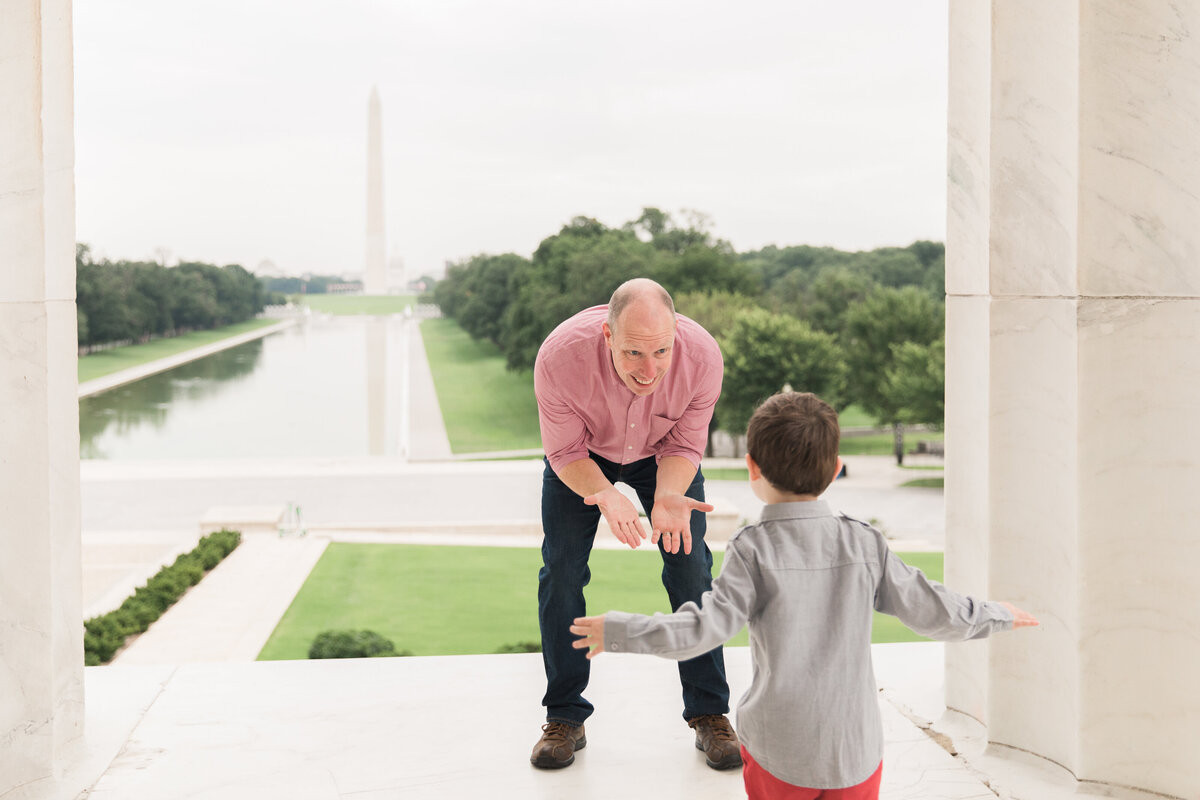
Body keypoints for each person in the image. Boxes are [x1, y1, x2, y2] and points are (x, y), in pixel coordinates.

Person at [571, 391, 1039, 798]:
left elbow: (700, 630)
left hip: (778, 750)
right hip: (855, 752)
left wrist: (621, 631)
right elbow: (934, 610)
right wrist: (997, 615)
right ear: (836, 470)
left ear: (752, 468)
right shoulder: (866, 543)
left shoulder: (752, 551)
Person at [530, 278, 741, 771]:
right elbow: (563, 451)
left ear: (675, 336)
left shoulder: (703, 359)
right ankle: (565, 717)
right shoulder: (559, 358)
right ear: (607, 336)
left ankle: (709, 713)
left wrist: (668, 496)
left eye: (661, 352)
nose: (650, 371)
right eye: (633, 354)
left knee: (691, 567)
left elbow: (686, 445)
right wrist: (604, 493)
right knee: (561, 571)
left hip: (661, 455)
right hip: (582, 455)